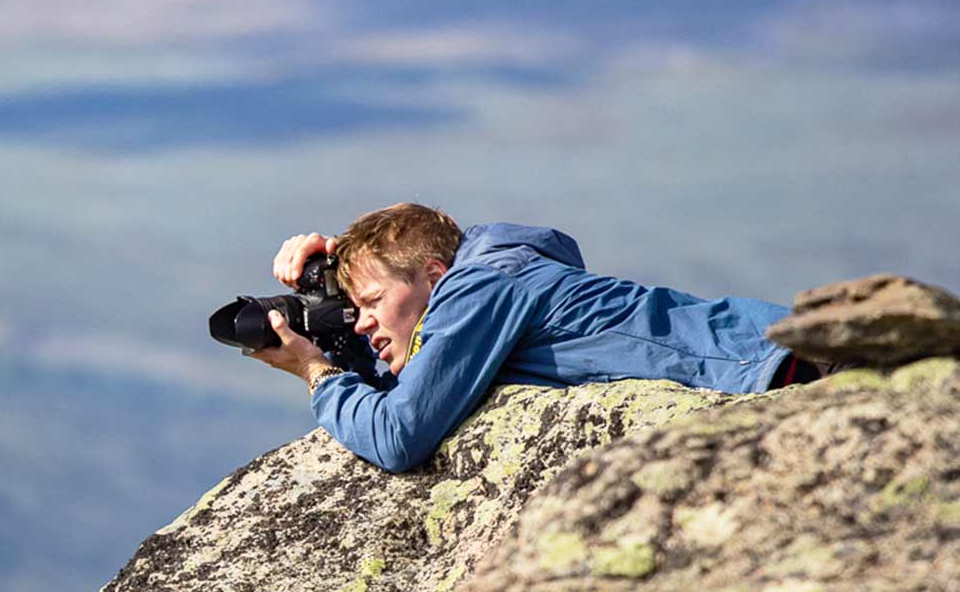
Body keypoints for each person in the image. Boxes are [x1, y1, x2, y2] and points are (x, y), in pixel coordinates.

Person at [246, 202, 819, 473]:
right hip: (770, 356)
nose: (364, 322)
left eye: (370, 304)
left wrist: (317, 374)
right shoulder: (496, 277)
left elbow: (400, 434)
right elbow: (413, 388)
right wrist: (336, 289)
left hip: (780, 369)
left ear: (435, 276)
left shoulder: (480, 286)